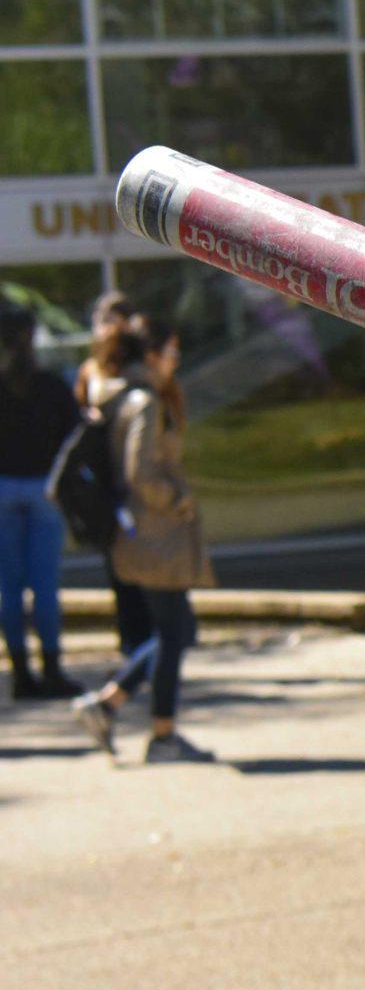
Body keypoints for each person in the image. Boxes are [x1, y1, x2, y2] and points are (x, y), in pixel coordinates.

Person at [70, 315, 216, 764]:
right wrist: (178, 500)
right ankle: (160, 734)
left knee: (173, 631)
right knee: (174, 633)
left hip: (141, 533)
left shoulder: (120, 395)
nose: (176, 362)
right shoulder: (145, 401)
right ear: (151, 356)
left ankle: (111, 706)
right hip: (156, 532)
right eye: (171, 353)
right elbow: (140, 471)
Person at [0, 301, 82, 700]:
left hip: (3, 491)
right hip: (43, 490)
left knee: (9, 588)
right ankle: (51, 668)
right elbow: (75, 436)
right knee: (45, 587)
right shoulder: (50, 385)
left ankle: (21, 673)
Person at [73, 291, 161, 658]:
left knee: (135, 577)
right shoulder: (95, 372)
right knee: (128, 576)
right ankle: (140, 653)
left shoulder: (135, 375)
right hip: (116, 485)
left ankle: (142, 652)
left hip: (122, 484)